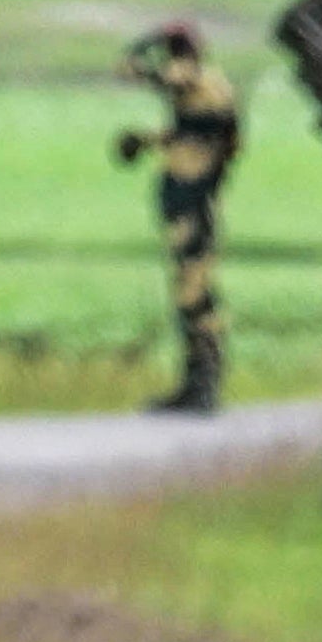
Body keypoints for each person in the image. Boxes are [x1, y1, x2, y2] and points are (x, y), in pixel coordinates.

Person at [114, 24, 241, 416]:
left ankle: (203, 383)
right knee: (190, 286)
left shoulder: (197, 79)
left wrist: (145, 41)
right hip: (192, 193)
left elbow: (131, 70)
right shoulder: (208, 91)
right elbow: (196, 133)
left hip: (194, 196)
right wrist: (147, 141)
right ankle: (195, 383)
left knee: (194, 289)